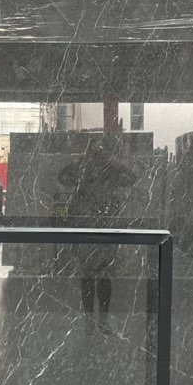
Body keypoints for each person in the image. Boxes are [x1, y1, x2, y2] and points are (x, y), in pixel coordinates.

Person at [57, 139, 137, 333]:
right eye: (92, 150)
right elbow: (63, 177)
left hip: (105, 225)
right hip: (85, 225)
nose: (95, 154)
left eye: (98, 150)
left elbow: (131, 178)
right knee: (87, 274)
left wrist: (111, 161)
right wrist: (81, 162)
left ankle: (101, 319)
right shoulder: (82, 167)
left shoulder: (111, 169)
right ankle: (90, 321)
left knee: (103, 274)